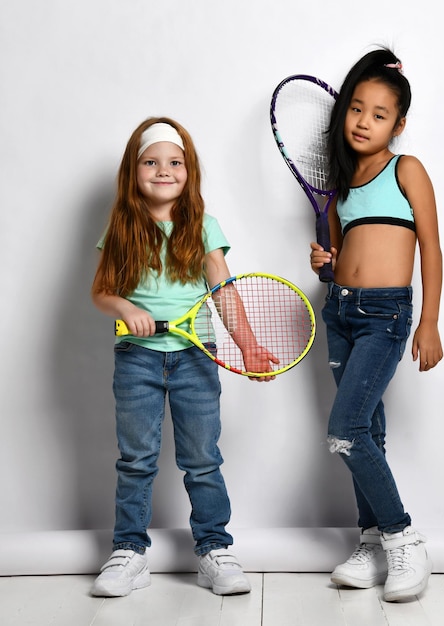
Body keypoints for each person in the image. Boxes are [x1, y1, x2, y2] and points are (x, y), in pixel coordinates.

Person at [91, 117, 276, 597]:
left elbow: (224, 292)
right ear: (133, 172)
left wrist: (249, 344)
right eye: (150, 162)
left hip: (196, 358)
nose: (163, 170)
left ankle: (214, 549)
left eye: (175, 162)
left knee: (203, 461)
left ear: (189, 171)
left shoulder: (203, 227)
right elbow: (102, 292)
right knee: (136, 460)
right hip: (137, 360)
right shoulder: (122, 226)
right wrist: (127, 308)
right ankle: (129, 553)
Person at [310, 48, 443, 602]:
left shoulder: (406, 169)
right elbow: (340, 259)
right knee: (370, 432)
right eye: (356, 109)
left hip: (386, 315)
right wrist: (325, 265)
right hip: (339, 311)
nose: (364, 121)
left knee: (346, 432)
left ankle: (402, 537)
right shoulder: (340, 190)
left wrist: (429, 321)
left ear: (399, 124)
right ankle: (370, 541)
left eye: (379, 113)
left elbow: (431, 249)